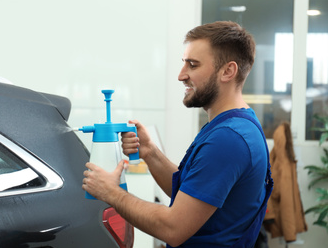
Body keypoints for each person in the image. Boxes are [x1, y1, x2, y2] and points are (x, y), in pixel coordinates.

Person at [82, 21, 273, 247]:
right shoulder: (235, 126)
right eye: (184, 63)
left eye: (193, 65)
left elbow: (172, 228)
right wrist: (150, 152)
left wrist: (112, 193)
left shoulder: (229, 139)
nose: (181, 75)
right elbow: (193, 194)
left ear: (228, 71)